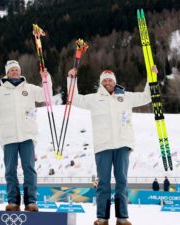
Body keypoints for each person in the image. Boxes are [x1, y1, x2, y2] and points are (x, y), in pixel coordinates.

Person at [68, 65, 158, 225]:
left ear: (114, 82)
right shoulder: (94, 99)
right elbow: (74, 99)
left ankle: (122, 218)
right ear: (101, 83)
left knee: (121, 181)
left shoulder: (126, 97)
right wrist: (71, 79)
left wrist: (152, 77)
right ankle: (102, 218)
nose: (108, 82)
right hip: (103, 146)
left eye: (110, 80)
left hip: (123, 145)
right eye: (105, 80)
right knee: (103, 182)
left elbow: (146, 97)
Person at [0, 60, 52, 212]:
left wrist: (46, 78)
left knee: (29, 169)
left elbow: (47, 95)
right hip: (9, 137)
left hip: (27, 136)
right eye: (11, 70)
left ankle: (31, 201)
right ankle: (13, 202)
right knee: (10, 170)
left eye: (16, 70)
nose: (14, 72)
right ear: (7, 73)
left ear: (20, 72)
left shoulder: (29, 88)